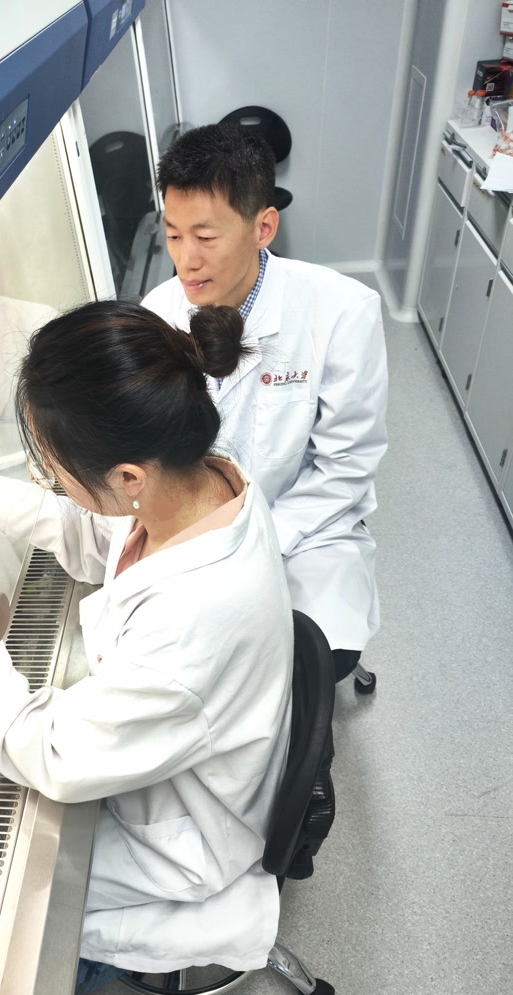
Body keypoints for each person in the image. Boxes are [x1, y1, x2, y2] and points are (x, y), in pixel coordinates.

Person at [0, 300, 293, 992]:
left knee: (3, 903)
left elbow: (52, 755)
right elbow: (97, 535)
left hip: (186, 834)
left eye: (57, 472)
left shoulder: (191, 621)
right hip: (187, 751)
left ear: (129, 477)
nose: (54, 484)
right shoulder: (199, 481)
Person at [142, 123, 388, 681]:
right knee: (186, 668)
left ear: (263, 227)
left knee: (304, 662)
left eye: (205, 237)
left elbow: (345, 468)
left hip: (306, 534)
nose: (185, 260)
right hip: (194, 532)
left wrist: (253, 544)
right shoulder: (158, 315)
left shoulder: (342, 313)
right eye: (173, 235)